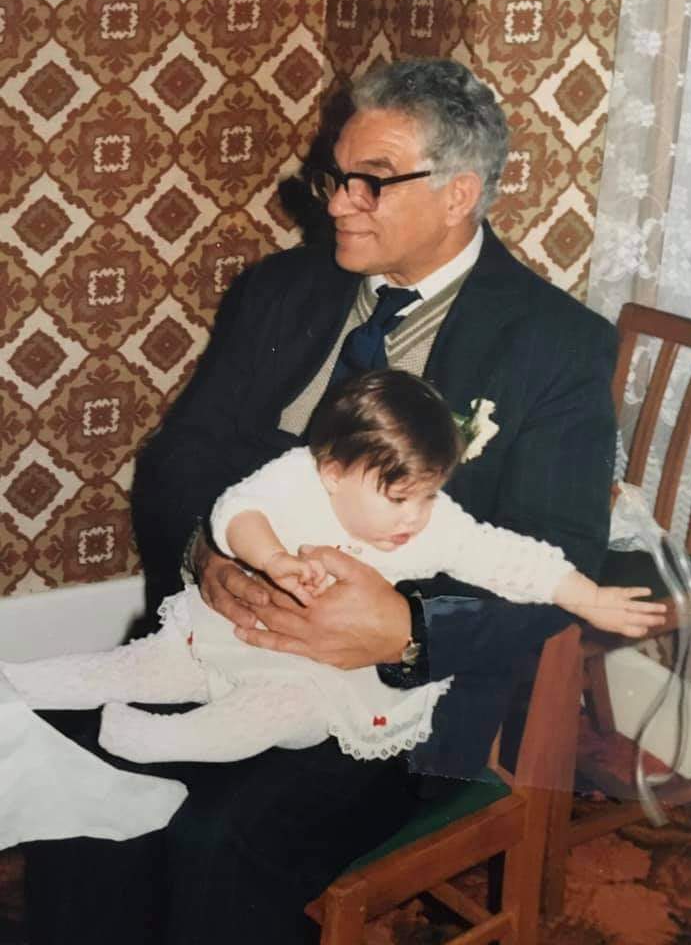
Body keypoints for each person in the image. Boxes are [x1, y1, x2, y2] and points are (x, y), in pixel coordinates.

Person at [25, 58, 629, 944]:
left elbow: (560, 553)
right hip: (220, 632)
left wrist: (406, 629)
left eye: (370, 182)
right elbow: (181, 457)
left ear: (460, 193)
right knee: (80, 760)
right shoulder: (280, 290)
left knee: (217, 836)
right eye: (334, 175)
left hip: (389, 701)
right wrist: (210, 553)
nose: (338, 200)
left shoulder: (554, 345)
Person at [5, 372, 663, 767]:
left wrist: (586, 595)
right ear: (334, 474)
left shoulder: (433, 523)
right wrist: (274, 560)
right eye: (400, 497)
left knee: (280, 712)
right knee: (139, 664)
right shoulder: (296, 479)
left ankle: (160, 739)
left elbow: (511, 558)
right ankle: (20, 683)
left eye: (431, 492)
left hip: (322, 676)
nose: (418, 515)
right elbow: (238, 510)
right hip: (225, 635)